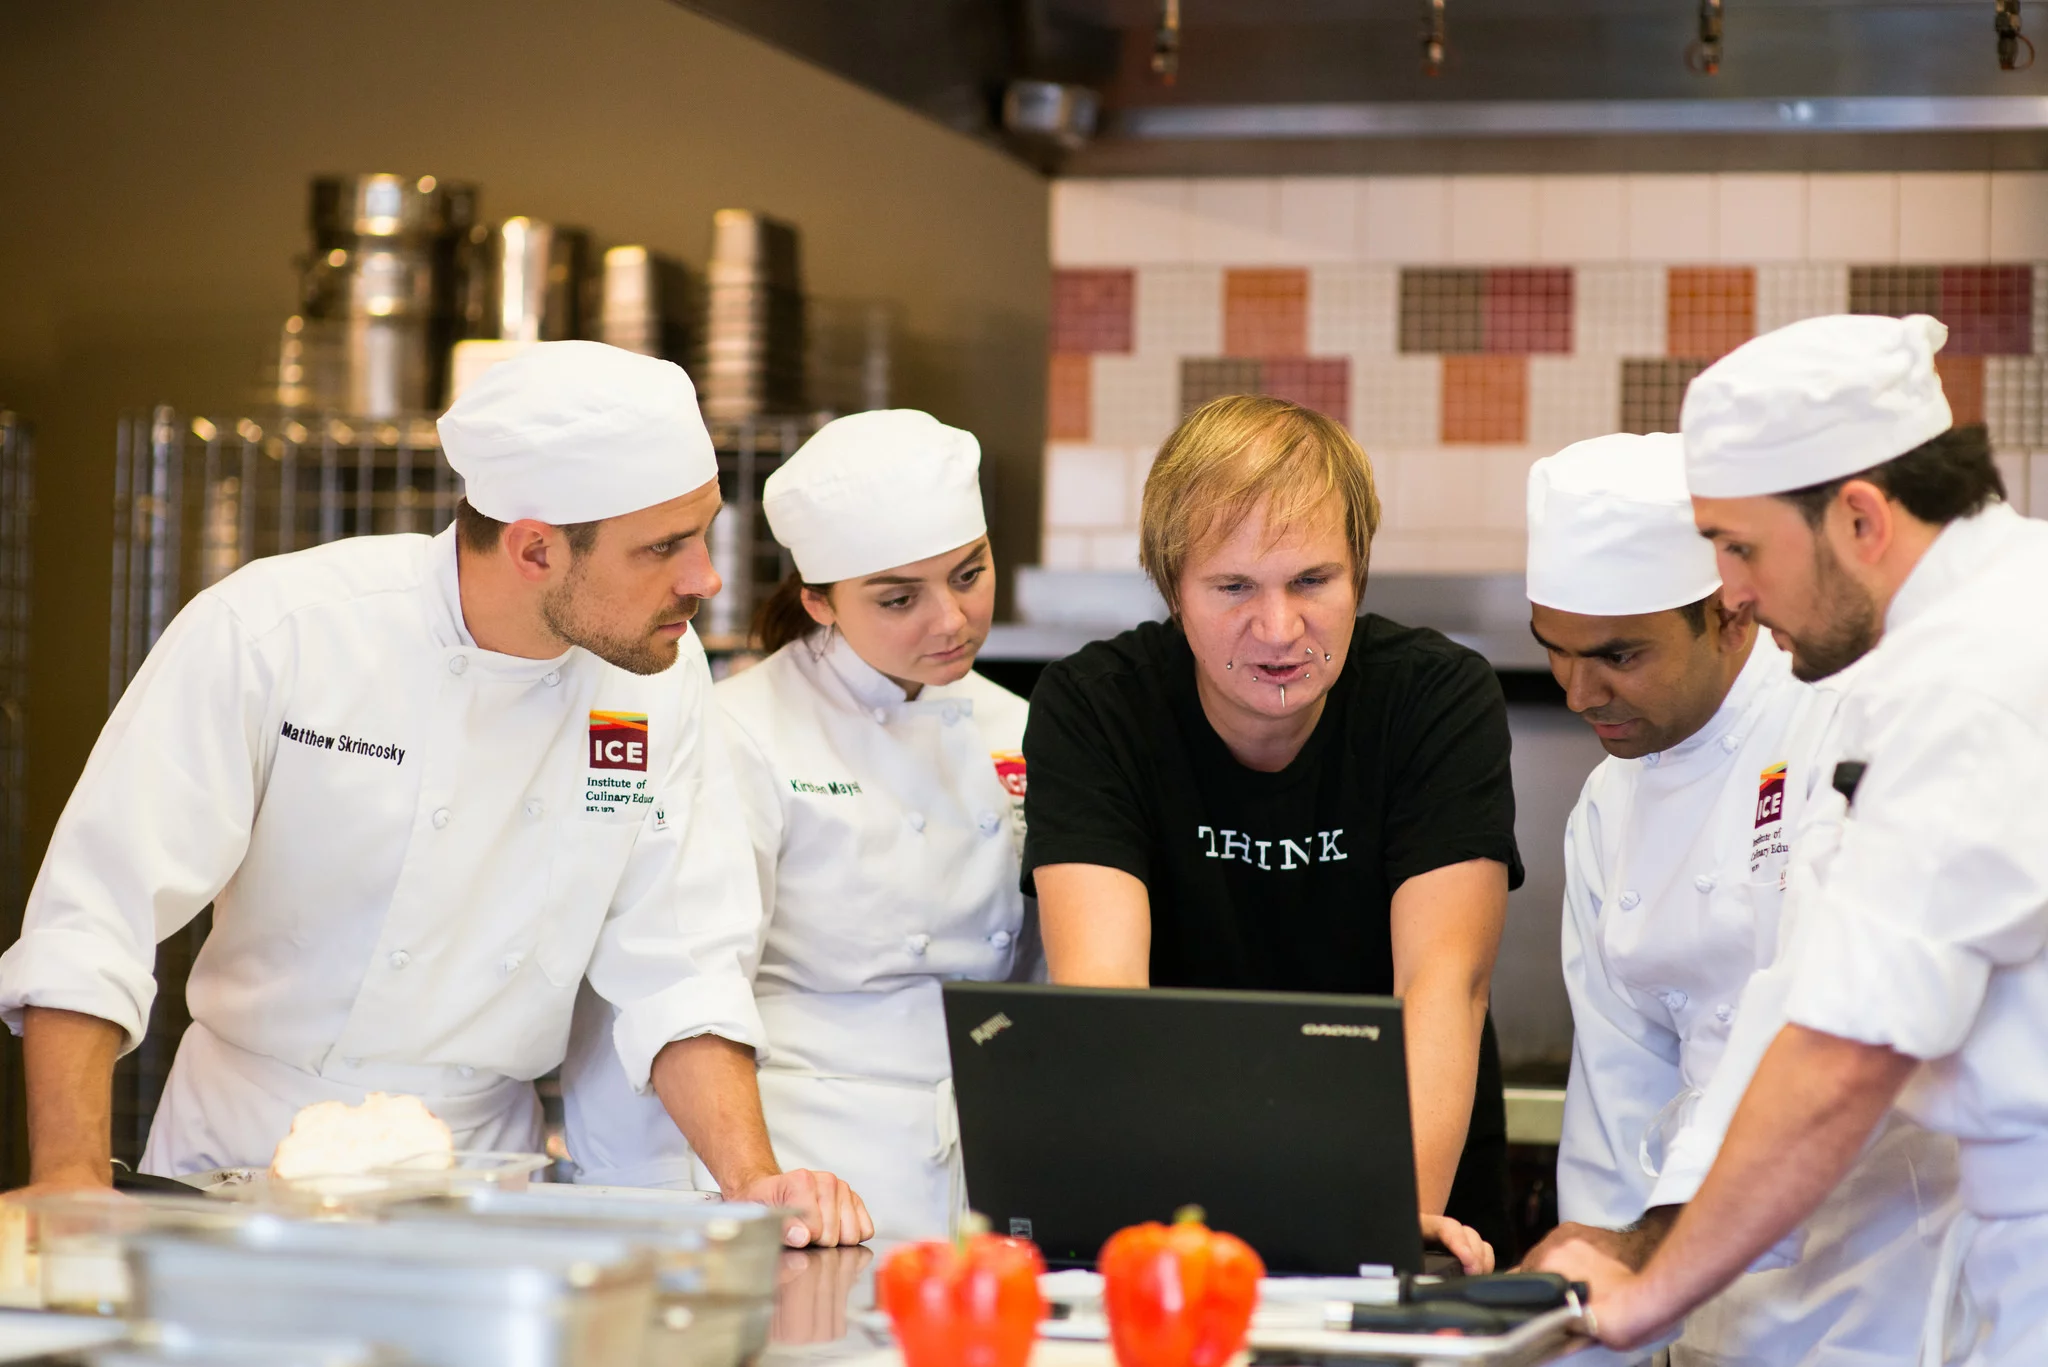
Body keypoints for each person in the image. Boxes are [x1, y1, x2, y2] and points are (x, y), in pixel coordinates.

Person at [0, 342, 867, 1246]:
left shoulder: (661, 679)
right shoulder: (280, 632)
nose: (706, 577)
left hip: (480, 1176)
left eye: (703, 531)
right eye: (664, 547)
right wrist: (68, 1180)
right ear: (535, 547)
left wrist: (753, 1180)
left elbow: (679, 966)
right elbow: (96, 911)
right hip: (242, 1160)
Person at [1535, 314, 2048, 1365]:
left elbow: (1844, 1051)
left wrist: (1648, 1289)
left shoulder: (1973, 677)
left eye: (1739, 547)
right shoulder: (1937, 654)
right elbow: (1800, 994)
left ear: (1859, 517)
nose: (1730, 590)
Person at [1021, 394, 1517, 1272]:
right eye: (1233, 587)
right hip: (1175, 1201)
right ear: (1173, 588)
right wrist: (1151, 1239)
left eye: (1313, 581)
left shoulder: (1434, 700)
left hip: (1416, 1188)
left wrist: (1394, 1226)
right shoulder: (1097, 709)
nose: (1280, 629)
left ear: (1359, 574)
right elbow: (1105, 998)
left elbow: (1444, 981)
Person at [559, 410, 1032, 1243]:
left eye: (970, 574)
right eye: (899, 598)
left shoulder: (1020, 726)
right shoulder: (741, 728)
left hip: (977, 1153)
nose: (951, 619)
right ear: (819, 600)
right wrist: (742, 1183)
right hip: (805, 1161)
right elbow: (687, 973)